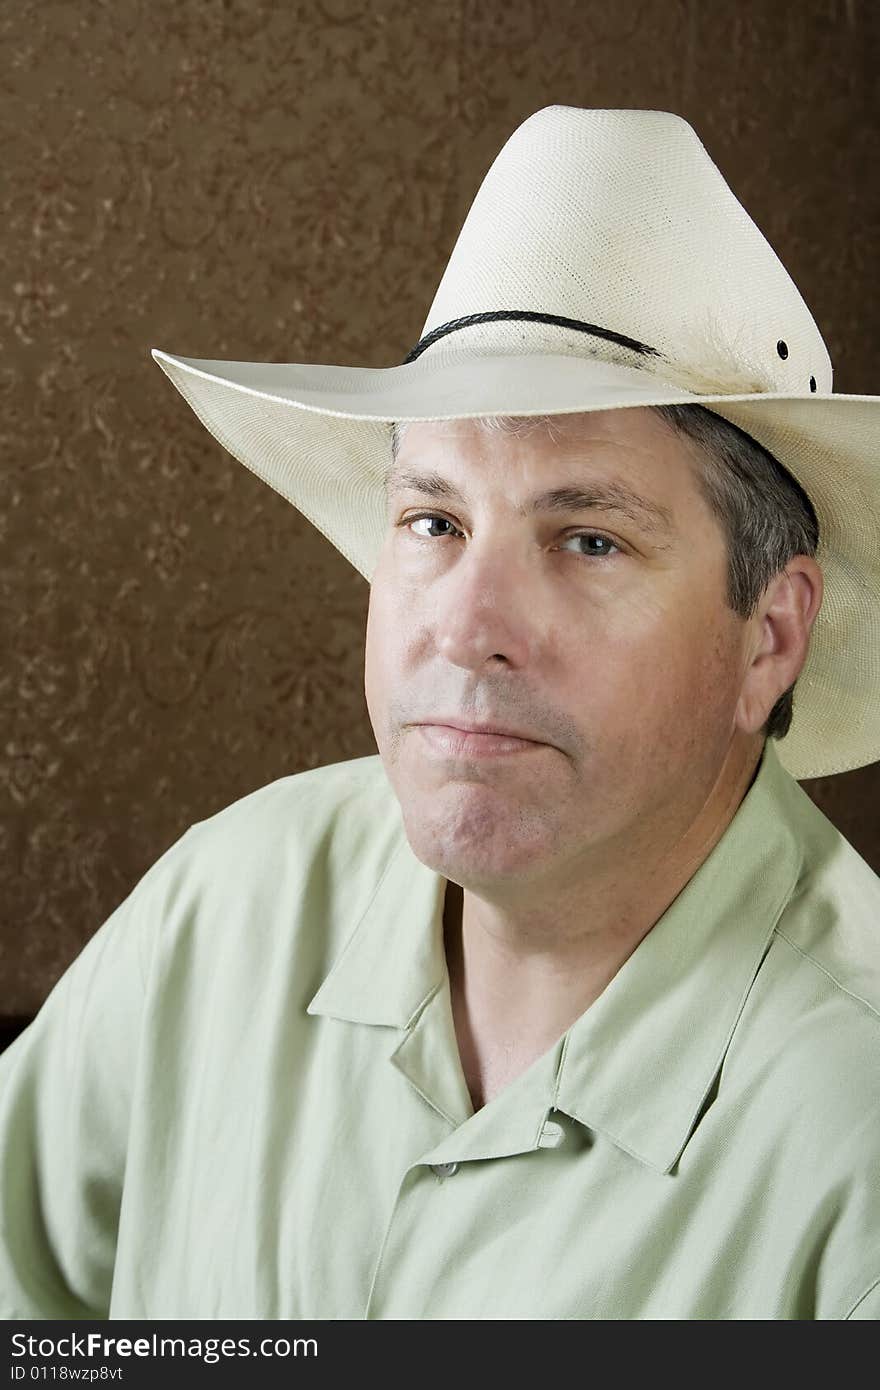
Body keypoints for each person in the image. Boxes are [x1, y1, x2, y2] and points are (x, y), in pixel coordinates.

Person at [1, 106, 878, 1321]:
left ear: (767, 636)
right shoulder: (225, 906)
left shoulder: (855, 1134)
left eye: (586, 539)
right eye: (433, 522)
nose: (467, 626)